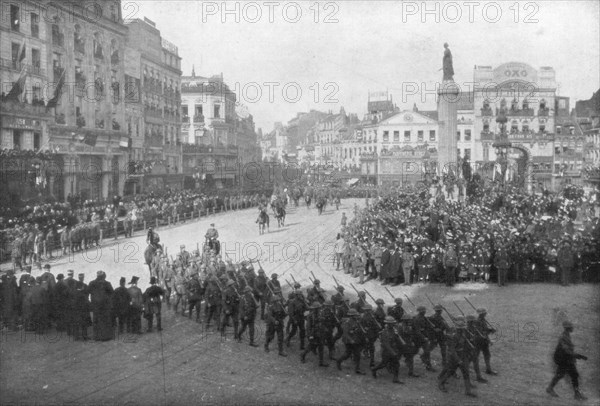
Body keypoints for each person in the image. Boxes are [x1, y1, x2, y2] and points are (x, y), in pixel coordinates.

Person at [546, 320, 588, 400]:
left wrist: (576, 355)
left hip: (567, 360)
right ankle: (576, 394)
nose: (573, 327)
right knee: (569, 375)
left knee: (567, 375)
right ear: (568, 328)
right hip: (565, 360)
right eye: (571, 326)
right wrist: (576, 355)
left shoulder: (567, 335)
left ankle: (551, 388)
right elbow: (566, 350)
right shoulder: (563, 337)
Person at [437, 317, 476, 397]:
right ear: (457, 329)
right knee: (450, 372)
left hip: (462, 355)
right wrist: (458, 360)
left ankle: (468, 391)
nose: (462, 330)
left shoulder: (463, 334)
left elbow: (465, 343)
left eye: (462, 329)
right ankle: (441, 383)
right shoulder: (453, 337)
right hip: (454, 357)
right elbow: (452, 350)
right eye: (460, 329)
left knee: (466, 372)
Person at [371, 316, 404, 383]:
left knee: (396, 364)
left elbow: (397, 340)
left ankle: (395, 378)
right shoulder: (384, 332)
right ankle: (374, 369)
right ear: (388, 324)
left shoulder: (394, 331)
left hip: (393, 350)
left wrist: (398, 337)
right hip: (386, 352)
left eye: (393, 323)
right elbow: (386, 344)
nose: (393, 324)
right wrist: (393, 352)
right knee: (383, 364)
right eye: (391, 323)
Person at [336, 308, 367, 375]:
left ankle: (357, 369)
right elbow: (345, 333)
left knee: (357, 354)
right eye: (355, 315)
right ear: (352, 316)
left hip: (355, 340)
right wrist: (351, 340)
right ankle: (338, 361)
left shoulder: (357, 321)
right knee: (347, 354)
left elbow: (357, 330)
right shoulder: (347, 323)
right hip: (348, 341)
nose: (357, 316)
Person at [88, 271, 114, 341]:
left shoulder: (91, 283)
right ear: (104, 276)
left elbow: (88, 292)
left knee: (96, 320)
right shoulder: (107, 283)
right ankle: (105, 337)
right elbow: (112, 293)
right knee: (105, 321)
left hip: (96, 305)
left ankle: (96, 337)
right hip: (105, 306)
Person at [301, 302, 328, 367]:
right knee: (311, 346)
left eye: (318, 308)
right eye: (317, 308)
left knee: (321, 347)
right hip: (314, 334)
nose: (318, 309)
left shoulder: (321, 314)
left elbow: (323, 322)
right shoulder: (310, 316)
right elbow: (308, 327)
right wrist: (310, 335)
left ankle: (321, 362)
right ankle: (303, 355)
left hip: (320, 333)